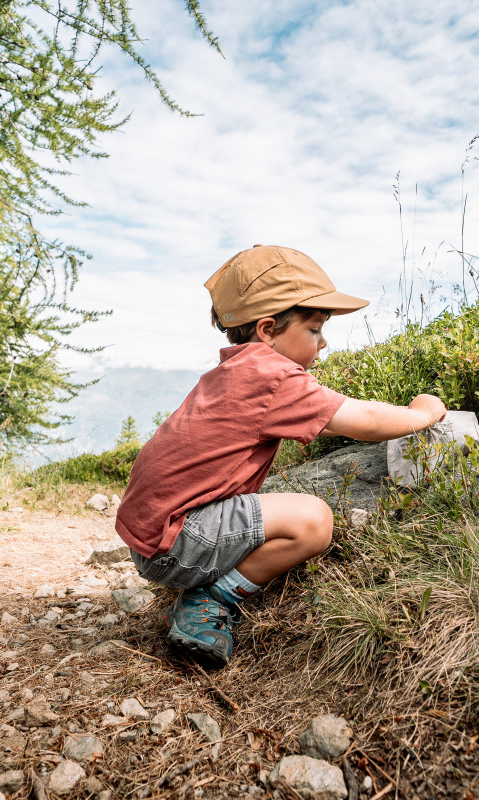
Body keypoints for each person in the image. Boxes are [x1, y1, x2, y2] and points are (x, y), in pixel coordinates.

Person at [115, 245, 446, 665]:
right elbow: (363, 420)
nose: (323, 343)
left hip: (152, 537)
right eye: (314, 330)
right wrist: (424, 412)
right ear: (268, 330)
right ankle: (210, 598)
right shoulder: (271, 376)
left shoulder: (233, 372)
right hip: (176, 545)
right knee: (313, 521)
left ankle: (199, 582)